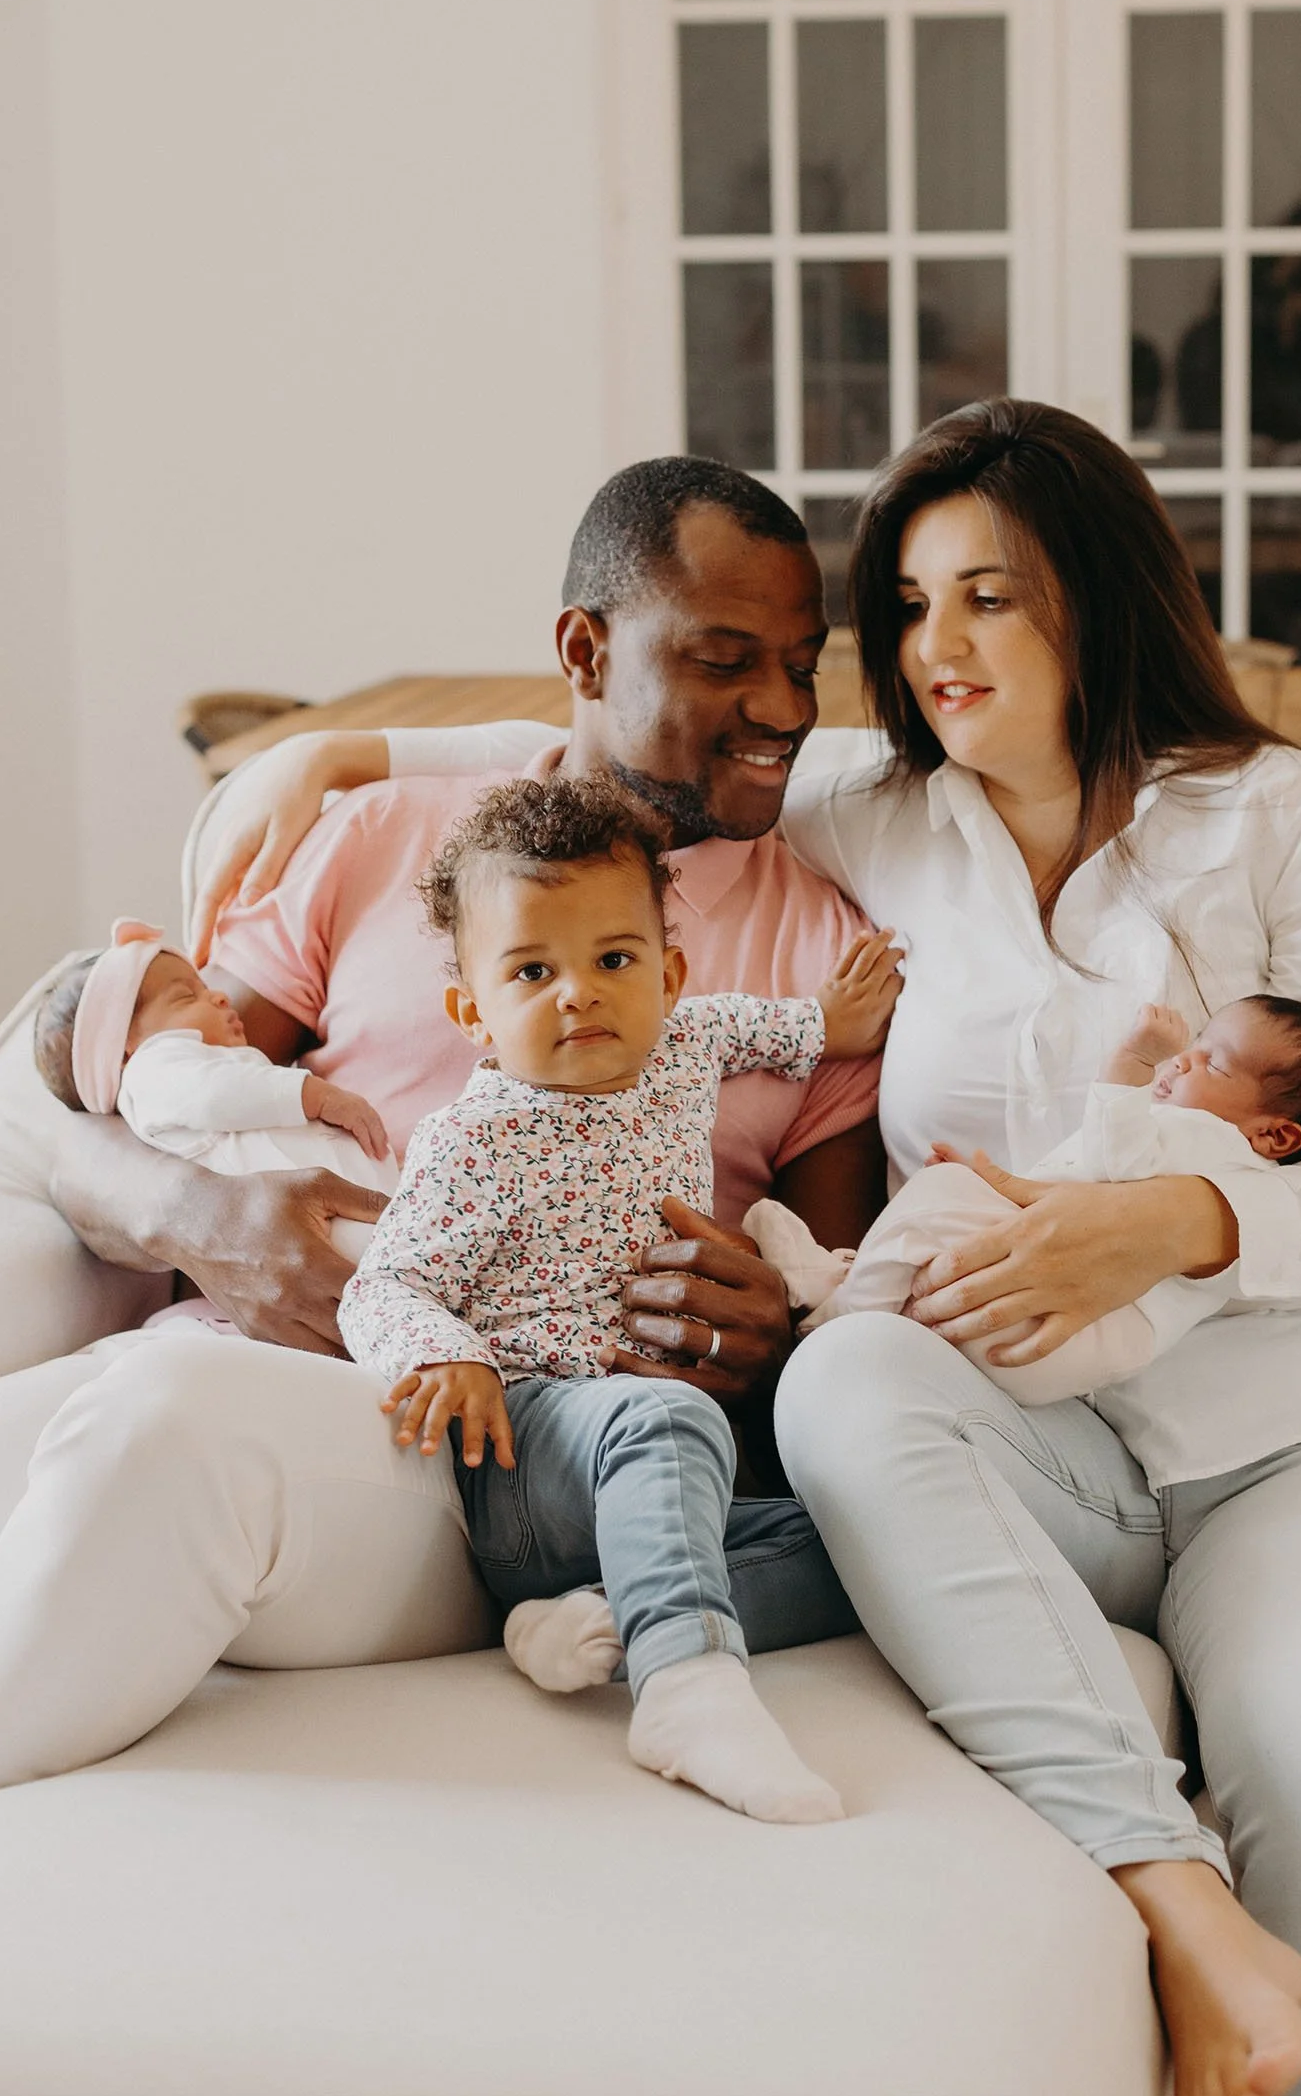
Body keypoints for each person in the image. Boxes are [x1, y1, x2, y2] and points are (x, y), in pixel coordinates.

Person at [248, 403, 1301, 2096]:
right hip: (1050, 1446)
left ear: (1104, 598)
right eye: (911, 611)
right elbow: (627, 745)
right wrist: (341, 760)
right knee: (849, 1379)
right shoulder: (881, 816)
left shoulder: (1297, 823)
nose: (939, 650)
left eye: (990, 596)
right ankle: (1180, 1901)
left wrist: (1169, 1220)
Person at [0, 458, 888, 1805]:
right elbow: (128, 1106)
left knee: (172, 1417)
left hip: (486, 1453)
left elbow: (849, 1318)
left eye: (803, 662)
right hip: (235, 1346)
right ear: (585, 651)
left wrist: (771, 1329)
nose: (784, 709)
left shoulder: (821, 949)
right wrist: (202, 1220)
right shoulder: (380, 835)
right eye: (727, 661)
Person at [343, 776, 896, 1821]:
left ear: (667, 974)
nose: (578, 993)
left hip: (663, 1487)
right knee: (664, 1412)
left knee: (858, 1537)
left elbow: (761, 1030)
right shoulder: (479, 1139)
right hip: (534, 1458)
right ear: (472, 1012)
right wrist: (440, 1353)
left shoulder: (684, 1045)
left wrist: (831, 1021)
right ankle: (686, 1689)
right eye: (531, 971)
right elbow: (388, 1281)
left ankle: (589, 1623)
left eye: (613, 960)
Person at [747, 995, 1301, 1406]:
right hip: (1063, 1351)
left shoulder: (1213, 1147)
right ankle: (837, 1276)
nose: (1184, 1062)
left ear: (1274, 1134)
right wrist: (986, 1185)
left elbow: (1113, 1155)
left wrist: (1131, 1062)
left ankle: (831, 1321)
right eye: (1194, 1047)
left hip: (1067, 1327)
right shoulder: (1209, 1164)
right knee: (941, 1225)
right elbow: (1074, 1204)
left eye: (1213, 1064)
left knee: (938, 1198)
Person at [34, 920, 396, 1294]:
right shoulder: (151, 1071)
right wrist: (315, 1096)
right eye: (186, 998)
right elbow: (213, 1094)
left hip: (357, 1215)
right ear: (124, 1049)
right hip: (324, 1230)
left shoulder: (196, 1066)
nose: (220, 997)